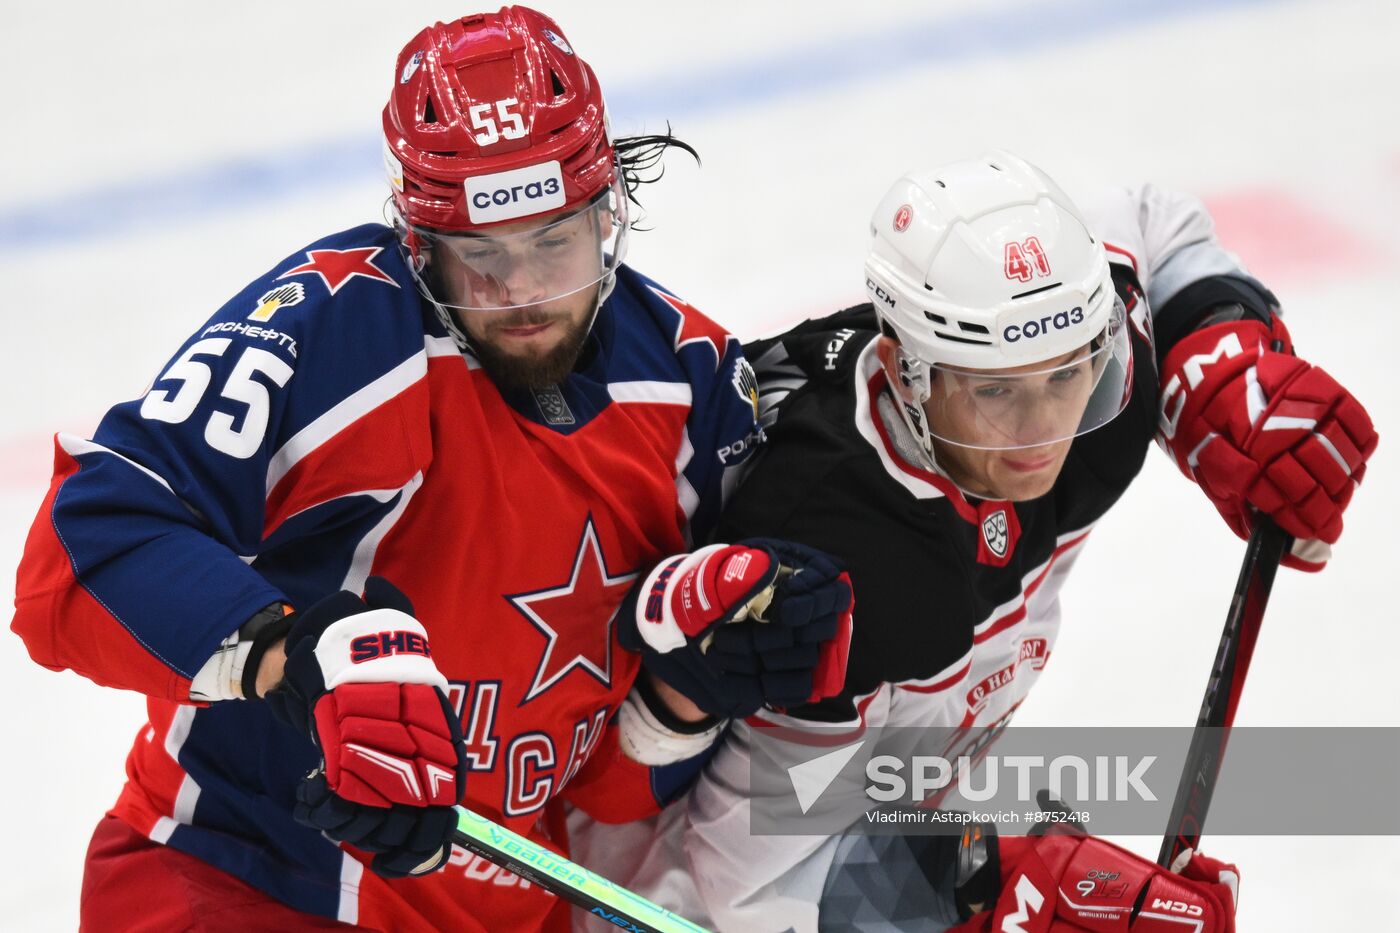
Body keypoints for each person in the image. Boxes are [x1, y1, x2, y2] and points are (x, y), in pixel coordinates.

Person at [9, 8, 851, 932]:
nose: (521, 291)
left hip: (512, 908)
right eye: (479, 256)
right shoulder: (341, 327)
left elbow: (612, 794)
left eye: (554, 242)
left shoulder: (694, 391)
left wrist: (692, 692)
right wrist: (288, 658)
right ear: (418, 240)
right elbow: (79, 549)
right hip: (243, 883)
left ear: (610, 213)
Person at [569, 151, 1377, 931]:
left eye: (1069, 377)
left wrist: (1222, 352)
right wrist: (1006, 888)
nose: (1044, 433)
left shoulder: (1089, 385)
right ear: (904, 368)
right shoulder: (839, 538)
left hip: (891, 808)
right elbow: (755, 877)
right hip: (654, 898)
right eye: (997, 393)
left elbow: (1145, 223)